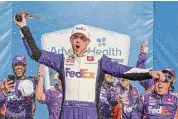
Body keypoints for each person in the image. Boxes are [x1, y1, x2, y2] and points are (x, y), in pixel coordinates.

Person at [14, 11, 165, 119]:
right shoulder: (62, 59)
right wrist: (23, 28)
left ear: (88, 42)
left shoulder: (99, 59)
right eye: (75, 37)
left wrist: (149, 73)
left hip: (90, 112)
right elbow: (35, 54)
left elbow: (123, 71)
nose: (78, 41)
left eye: (82, 38)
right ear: (71, 40)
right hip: (67, 110)